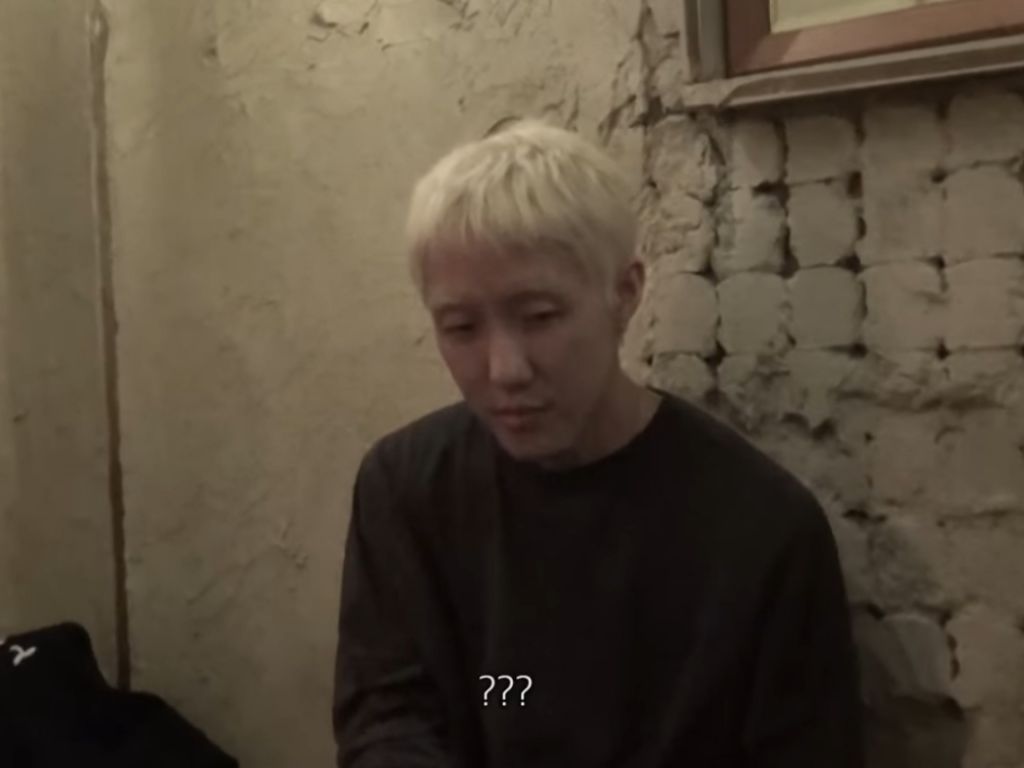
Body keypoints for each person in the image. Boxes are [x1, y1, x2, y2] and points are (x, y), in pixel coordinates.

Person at [332, 119, 863, 768]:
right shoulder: (407, 488)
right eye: (462, 328)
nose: (505, 369)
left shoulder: (764, 532)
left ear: (625, 293)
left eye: (540, 318)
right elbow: (388, 716)